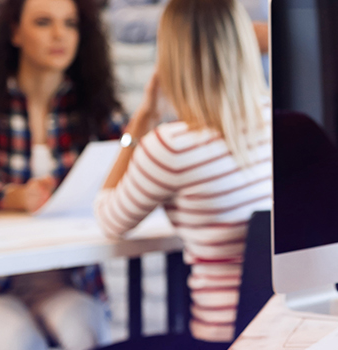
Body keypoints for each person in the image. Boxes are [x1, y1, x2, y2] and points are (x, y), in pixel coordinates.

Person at [94, 0, 271, 346]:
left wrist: (141, 122)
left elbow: (109, 220)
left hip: (222, 338)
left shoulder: (172, 147)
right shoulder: (280, 121)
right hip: (282, 329)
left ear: (171, 58)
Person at [0, 0, 125, 348]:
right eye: (44, 22)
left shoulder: (95, 103)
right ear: (15, 32)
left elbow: (126, 170)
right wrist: (22, 196)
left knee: (86, 329)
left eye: (71, 24)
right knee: (20, 340)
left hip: (67, 281)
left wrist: (148, 117)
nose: (60, 35)